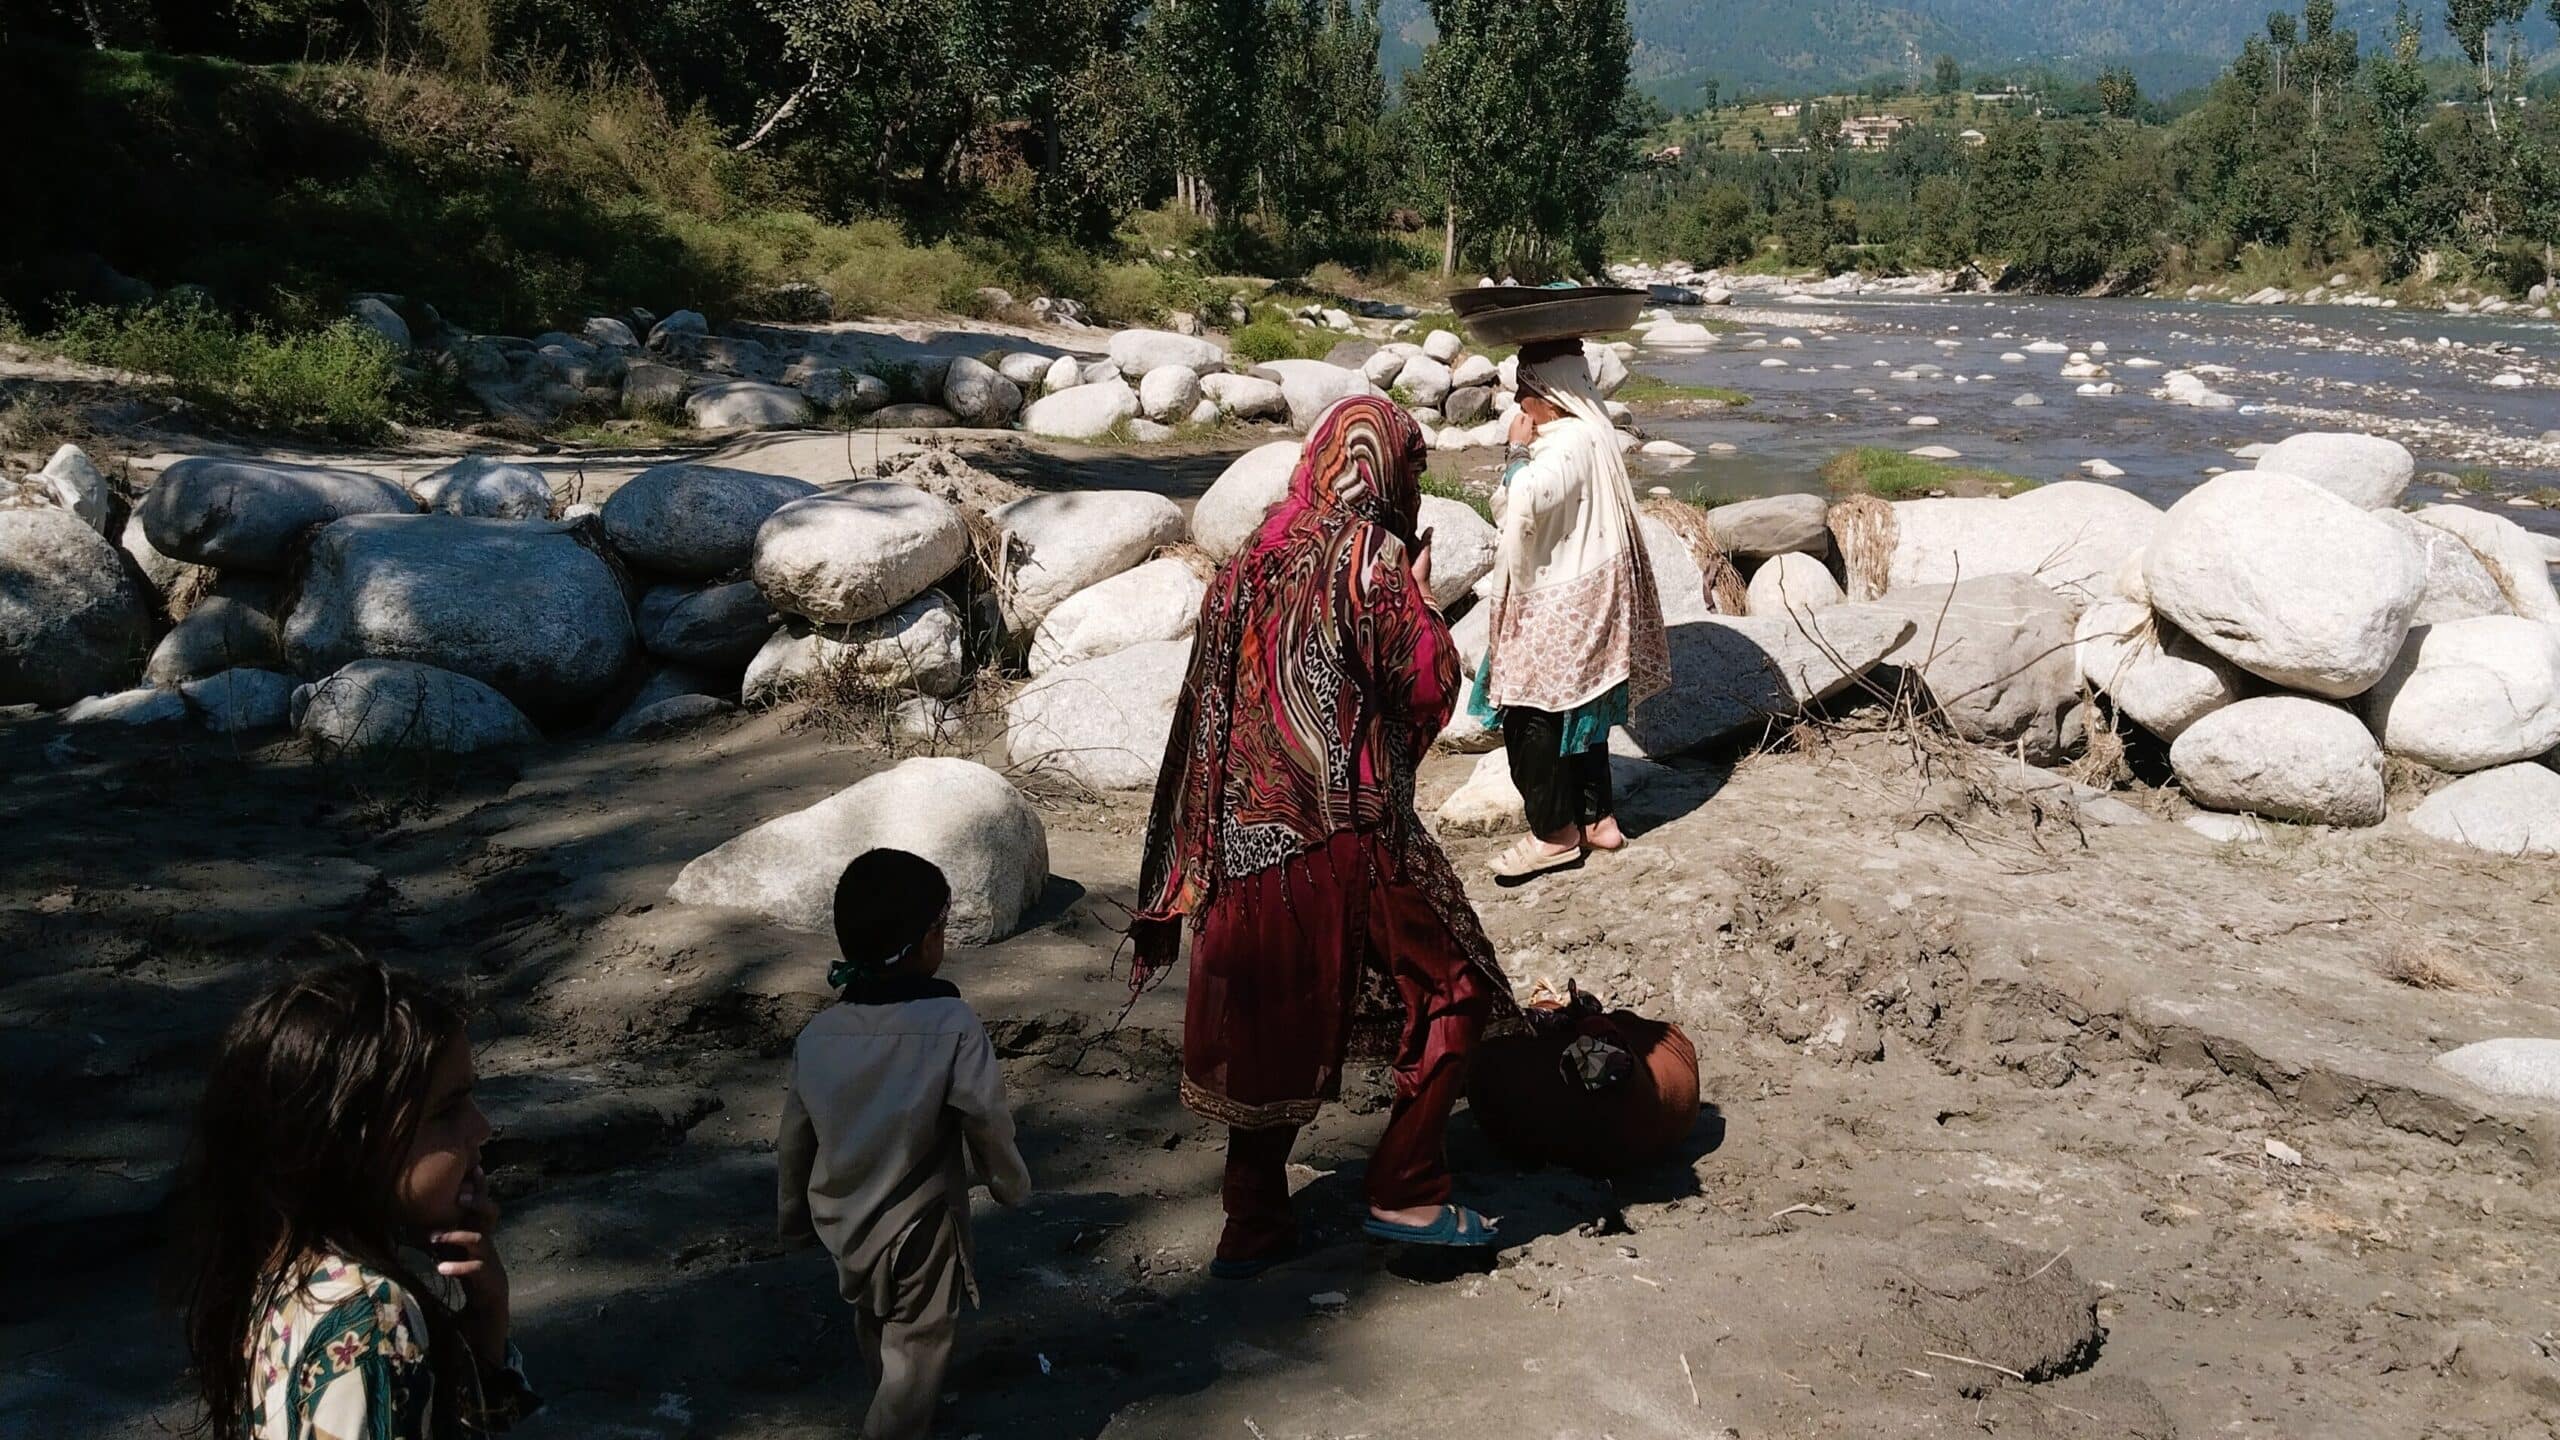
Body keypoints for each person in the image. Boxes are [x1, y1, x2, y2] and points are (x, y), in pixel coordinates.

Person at [1133, 394, 1520, 1278]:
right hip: (1343, 838)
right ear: (1381, 467)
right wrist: (1421, 603)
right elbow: (1426, 690)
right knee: (1451, 988)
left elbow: (1208, 705)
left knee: (1270, 1028)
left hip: (1239, 837)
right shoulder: (1372, 561)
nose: (1415, 488)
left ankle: (1252, 1226)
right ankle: (1409, 1186)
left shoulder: (1247, 557)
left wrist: (1193, 849)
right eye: (1414, 469)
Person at [179, 961, 537, 1440]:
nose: (481, 1128)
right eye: (448, 1109)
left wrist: (487, 1319)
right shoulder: (375, 1318)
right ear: (355, 1144)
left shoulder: (287, 1269)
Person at [778, 848, 1032, 1440]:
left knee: (876, 1319)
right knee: (919, 1342)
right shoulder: (953, 1027)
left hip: (843, 1222)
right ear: (925, 943)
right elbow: (986, 1119)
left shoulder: (818, 1037)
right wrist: (1009, 1183)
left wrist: (792, 1219)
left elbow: (794, 1139)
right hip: (921, 1230)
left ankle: (896, 1407)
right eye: (941, 927)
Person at [1466, 336, 1671, 882]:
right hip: (1594, 593)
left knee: (1531, 711)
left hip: (1562, 601)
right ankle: (1597, 819)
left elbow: (1527, 500)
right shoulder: (1594, 433)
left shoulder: (1565, 443)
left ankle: (1554, 834)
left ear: (1551, 396)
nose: (1518, 406)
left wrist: (1513, 454)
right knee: (1583, 710)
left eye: (1524, 394)